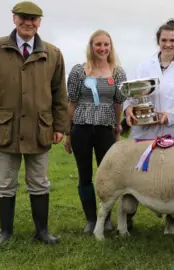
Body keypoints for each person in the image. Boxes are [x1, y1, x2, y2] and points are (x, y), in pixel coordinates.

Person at [0, 1, 68, 246]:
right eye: (23, 17)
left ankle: (42, 231)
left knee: (39, 181)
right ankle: (5, 233)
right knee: (5, 183)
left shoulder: (53, 53)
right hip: (5, 128)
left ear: (40, 22)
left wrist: (60, 127)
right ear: (14, 19)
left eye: (34, 19)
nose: (28, 22)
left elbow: (60, 94)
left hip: (40, 129)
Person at [123, 18, 174, 229]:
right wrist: (128, 109)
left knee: (171, 178)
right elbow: (130, 95)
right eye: (164, 39)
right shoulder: (143, 66)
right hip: (143, 132)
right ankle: (128, 216)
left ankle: (170, 218)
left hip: (172, 133)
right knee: (136, 175)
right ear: (158, 41)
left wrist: (170, 115)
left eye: (172, 40)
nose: (168, 44)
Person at [64, 29, 127, 234]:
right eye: (98, 44)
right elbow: (71, 103)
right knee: (85, 176)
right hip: (80, 129)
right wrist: (68, 132)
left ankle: (105, 218)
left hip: (105, 130)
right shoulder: (78, 71)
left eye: (106, 45)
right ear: (91, 46)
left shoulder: (118, 73)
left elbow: (118, 103)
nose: (102, 48)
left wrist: (117, 130)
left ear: (111, 47)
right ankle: (90, 219)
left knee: (106, 176)